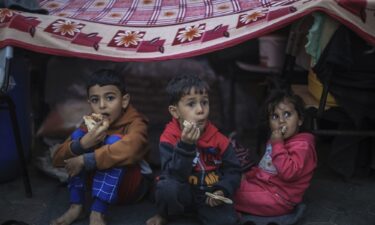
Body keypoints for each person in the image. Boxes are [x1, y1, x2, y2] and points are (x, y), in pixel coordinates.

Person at [51, 69, 153, 225]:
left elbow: (131, 150)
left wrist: (85, 160)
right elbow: (57, 158)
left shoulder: (136, 123)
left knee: (114, 141)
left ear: (124, 100)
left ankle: (98, 213)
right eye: (95, 100)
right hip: (94, 189)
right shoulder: (90, 123)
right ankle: (76, 206)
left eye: (110, 98)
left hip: (132, 189)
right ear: (89, 103)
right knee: (79, 136)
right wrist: (83, 144)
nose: (102, 106)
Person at [146, 74, 242, 225]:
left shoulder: (220, 139)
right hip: (184, 192)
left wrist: (222, 189)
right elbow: (172, 175)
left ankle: (194, 215)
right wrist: (185, 146)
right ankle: (165, 214)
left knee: (228, 221)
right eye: (191, 104)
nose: (200, 110)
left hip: (209, 194)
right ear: (175, 112)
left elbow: (234, 171)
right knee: (166, 188)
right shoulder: (169, 138)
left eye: (205, 102)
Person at [234, 89, 317, 217]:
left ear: (300, 120)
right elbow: (266, 167)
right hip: (265, 188)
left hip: (278, 199)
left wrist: (278, 144)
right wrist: (249, 175)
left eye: (287, 114)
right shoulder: (276, 140)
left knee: (229, 190)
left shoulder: (302, 146)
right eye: (275, 116)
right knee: (232, 180)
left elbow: (288, 173)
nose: (281, 121)